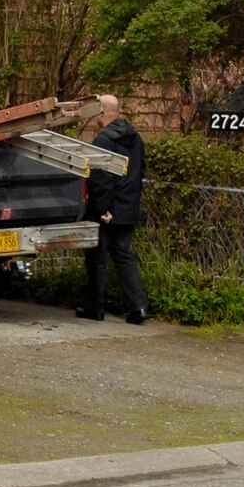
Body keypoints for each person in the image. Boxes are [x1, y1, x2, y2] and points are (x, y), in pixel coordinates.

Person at [79, 94, 151, 325]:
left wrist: (102, 209)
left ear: (102, 112)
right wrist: (127, 205)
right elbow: (139, 172)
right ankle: (139, 307)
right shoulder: (136, 138)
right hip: (127, 208)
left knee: (97, 258)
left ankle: (95, 307)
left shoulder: (103, 141)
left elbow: (100, 179)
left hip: (107, 210)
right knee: (123, 256)